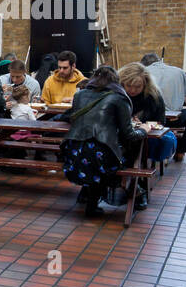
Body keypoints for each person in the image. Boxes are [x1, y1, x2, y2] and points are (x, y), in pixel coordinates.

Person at [60, 65, 146, 217]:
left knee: (93, 158)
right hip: (101, 154)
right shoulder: (119, 98)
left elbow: (71, 116)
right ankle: (137, 193)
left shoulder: (80, 95)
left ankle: (88, 198)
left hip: (72, 151)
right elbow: (129, 135)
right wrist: (144, 130)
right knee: (122, 158)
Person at [120, 62, 178, 164]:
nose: (133, 90)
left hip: (146, 134)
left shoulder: (153, 97)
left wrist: (143, 124)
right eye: (129, 86)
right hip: (122, 135)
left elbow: (160, 122)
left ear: (145, 84)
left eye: (138, 87)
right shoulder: (117, 95)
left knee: (165, 141)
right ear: (122, 82)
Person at [141, 53, 186, 161]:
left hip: (149, 120)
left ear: (144, 64)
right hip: (174, 120)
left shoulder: (143, 72)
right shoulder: (179, 71)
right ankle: (180, 152)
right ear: (159, 61)